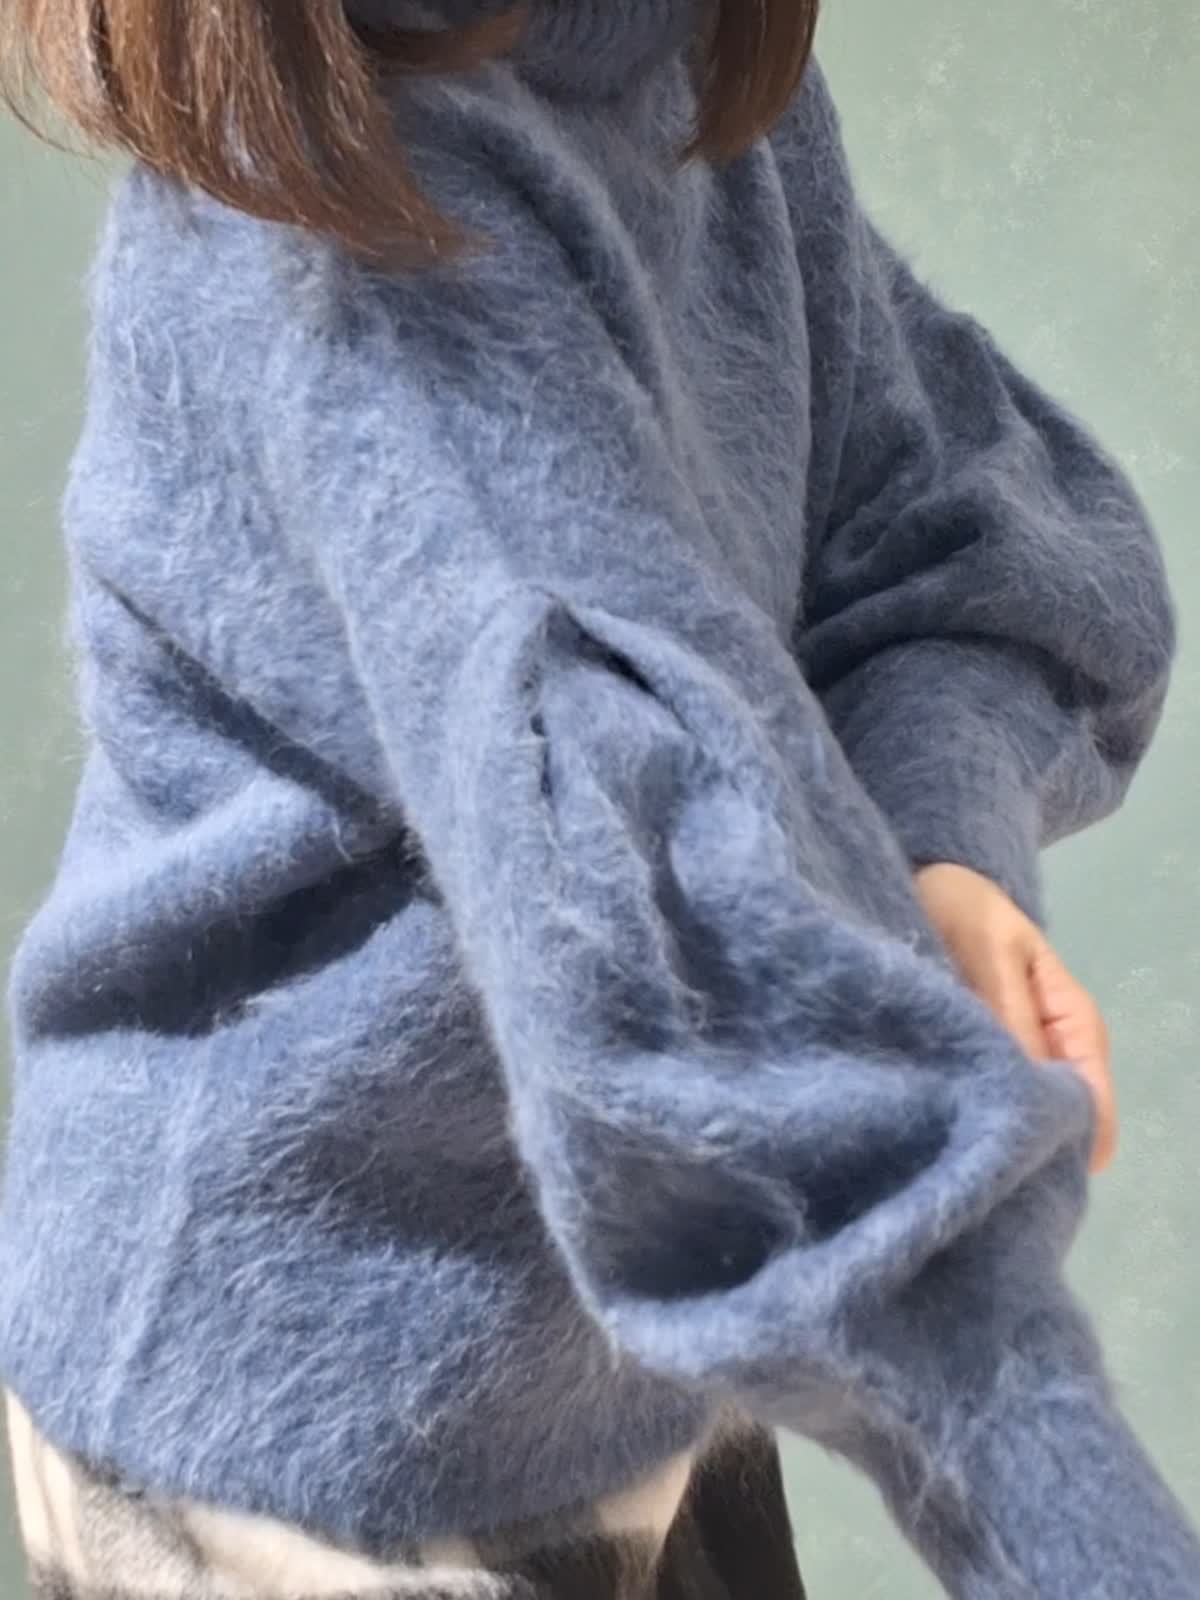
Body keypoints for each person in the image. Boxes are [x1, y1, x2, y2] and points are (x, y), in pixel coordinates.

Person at [0, 1, 1195, 1596]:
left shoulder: (668, 61)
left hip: (609, 1342)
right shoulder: (342, 240)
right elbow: (658, 923)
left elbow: (953, 528)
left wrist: (938, 836)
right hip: (300, 1427)